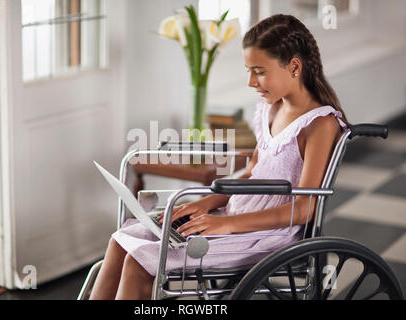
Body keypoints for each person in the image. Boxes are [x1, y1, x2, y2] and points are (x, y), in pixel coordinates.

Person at [89, 14, 349, 300]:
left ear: (294, 67)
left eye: (259, 71)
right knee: (120, 242)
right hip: (233, 216)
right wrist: (203, 204)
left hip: (268, 234)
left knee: (138, 262)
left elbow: (304, 209)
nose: (251, 81)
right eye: (248, 70)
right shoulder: (270, 109)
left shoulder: (321, 123)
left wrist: (224, 224)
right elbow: (251, 174)